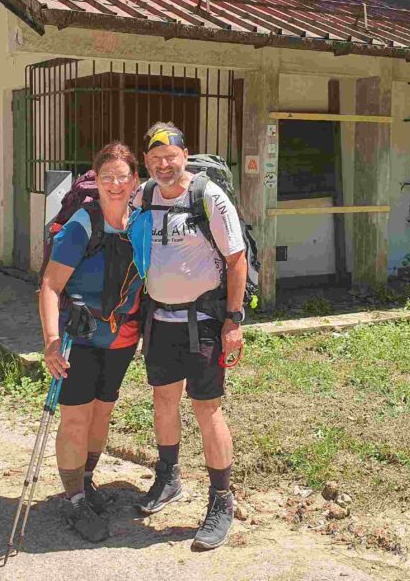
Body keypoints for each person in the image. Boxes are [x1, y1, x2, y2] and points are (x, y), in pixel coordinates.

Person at [132, 122, 247, 551]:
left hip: (204, 321)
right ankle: (169, 478)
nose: (164, 165)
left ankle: (221, 500)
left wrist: (233, 321)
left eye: (171, 157)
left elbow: (236, 259)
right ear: (147, 162)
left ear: (185, 156)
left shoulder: (207, 196)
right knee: (164, 399)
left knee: (206, 407)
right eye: (155, 158)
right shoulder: (143, 195)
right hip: (159, 319)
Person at [38, 142, 143, 543]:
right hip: (78, 339)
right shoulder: (83, 225)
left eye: (122, 177)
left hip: (122, 337)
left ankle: (86, 480)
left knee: (102, 413)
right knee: (76, 417)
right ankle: (74, 499)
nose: (115, 185)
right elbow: (50, 286)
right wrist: (51, 340)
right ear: (96, 181)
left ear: (135, 180)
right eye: (107, 177)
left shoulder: (140, 223)